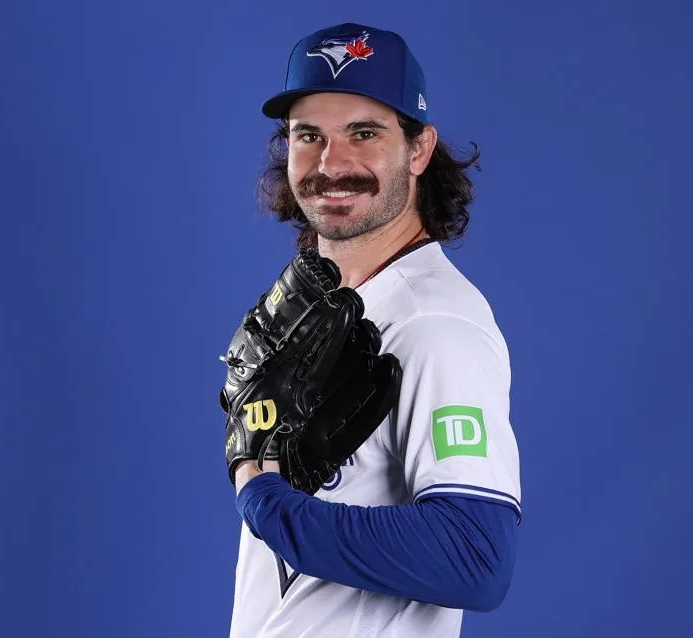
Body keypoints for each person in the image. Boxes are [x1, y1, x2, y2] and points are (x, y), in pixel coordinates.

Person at [228, 23, 522, 637]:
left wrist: (263, 495)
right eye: (309, 136)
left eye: (364, 132)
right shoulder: (321, 311)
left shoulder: (435, 323)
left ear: (418, 149)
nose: (331, 163)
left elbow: (474, 558)